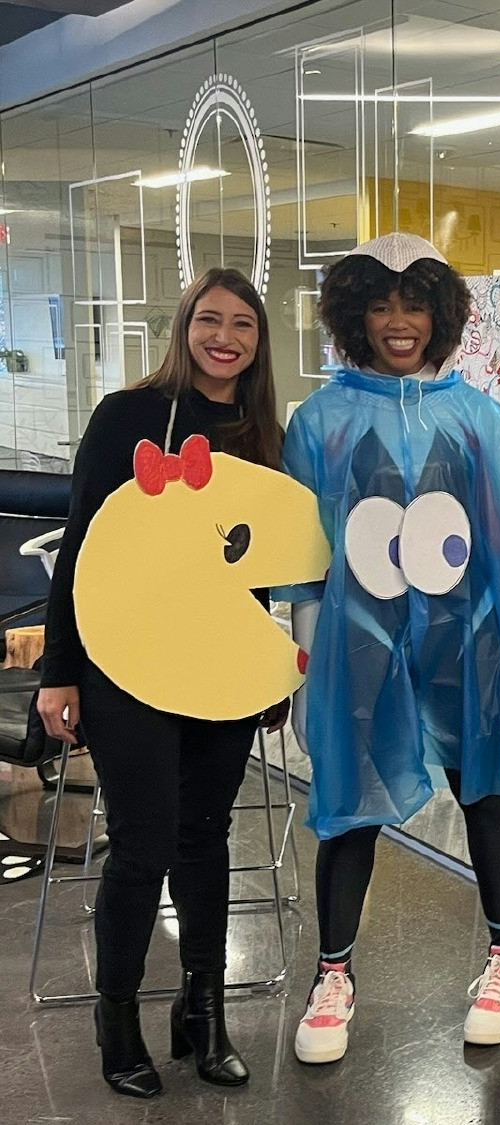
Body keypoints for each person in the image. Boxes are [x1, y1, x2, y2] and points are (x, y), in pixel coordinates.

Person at [278, 233, 500, 1065]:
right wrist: (308, 665)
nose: (399, 322)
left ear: (442, 312)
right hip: (357, 650)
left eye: (415, 304)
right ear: (354, 314)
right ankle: (333, 974)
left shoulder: (474, 416)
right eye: (382, 304)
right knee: (347, 807)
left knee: (485, 789)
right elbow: (303, 558)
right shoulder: (320, 420)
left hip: (465, 644)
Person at [37, 268, 285, 1098]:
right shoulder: (127, 416)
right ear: (183, 326)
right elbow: (80, 550)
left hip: (218, 665)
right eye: (210, 320)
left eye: (243, 324)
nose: (226, 337)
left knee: (204, 838)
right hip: (124, 665)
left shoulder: (260, 431)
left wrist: (267, 668)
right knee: (143, 845)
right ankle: (118, 1021)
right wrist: (58, 671)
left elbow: (257, 571)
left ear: (258, 339)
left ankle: (202, 1015)